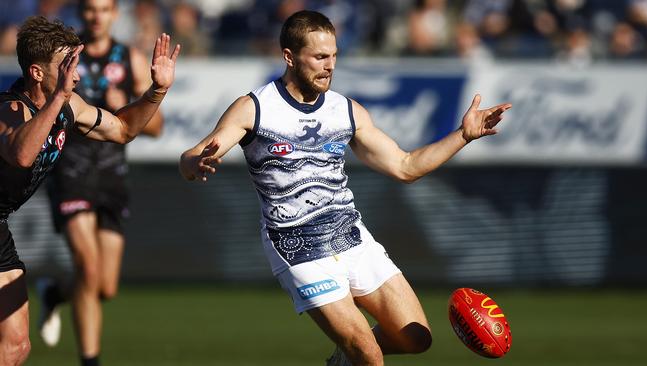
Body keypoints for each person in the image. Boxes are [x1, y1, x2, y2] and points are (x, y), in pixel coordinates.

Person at [179, 10, 510, 366]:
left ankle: (342, 361)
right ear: (289, 57)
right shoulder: (254, 108)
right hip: (298, 247)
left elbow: (405, 166)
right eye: (320, 56)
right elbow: (191, 157)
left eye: (334, 55)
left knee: (416, 338)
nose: (329, 65)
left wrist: (463, 136)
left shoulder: (346, 111)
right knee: (369, 355)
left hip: (351, 237)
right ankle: (354, 355)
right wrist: (195, 163)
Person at [0, 15, 179, 366]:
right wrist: (59, 98)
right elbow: (21, 154)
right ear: (37, 73)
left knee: (16, 347)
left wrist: (156, 91)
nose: (77, 76)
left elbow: (124, 129)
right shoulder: (9, 110)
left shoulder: (70, 106)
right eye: (67, 68)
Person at [38, 1, 164, 365]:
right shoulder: (63, 57)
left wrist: (125, 103)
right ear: (81, 12)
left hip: (111, 173)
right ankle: (90, 361)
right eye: (91, 8)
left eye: (104, 8)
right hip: (70, 170)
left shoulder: (130, 58)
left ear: (114, 14)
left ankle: (55, 294)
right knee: (88, 269)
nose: (97, 16)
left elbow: (155, 126)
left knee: (104, 285)